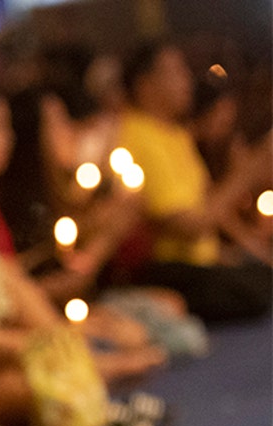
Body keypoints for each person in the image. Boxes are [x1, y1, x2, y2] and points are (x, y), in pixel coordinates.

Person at [114, 39, 272, 321]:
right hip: (165, 269)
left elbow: (211, 206)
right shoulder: (135, 136)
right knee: (251, 290)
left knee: (259, 275)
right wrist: (249, 171)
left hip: (203, 262)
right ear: (145, 84)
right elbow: (189, 226)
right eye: (176, 72)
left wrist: (248, 249)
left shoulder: (175, 134)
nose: (187, 80)